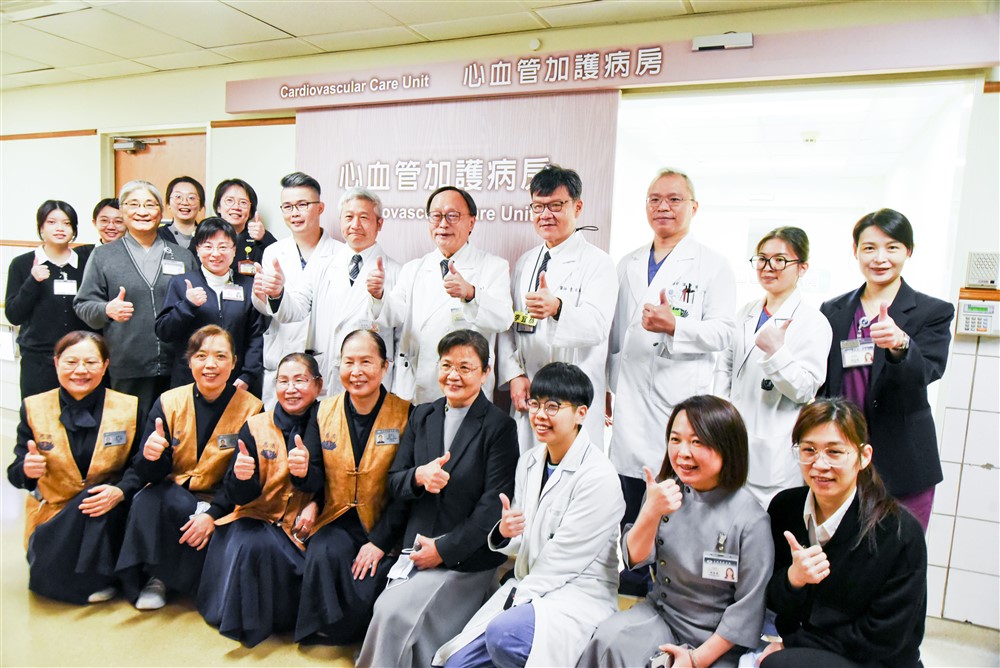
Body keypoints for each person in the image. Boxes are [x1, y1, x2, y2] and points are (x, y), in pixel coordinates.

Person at [435, 362, 625, 668]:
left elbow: (564, 560)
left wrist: (516, 599)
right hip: (530, 586)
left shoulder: (598, 477)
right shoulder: (530, 461)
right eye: (535, 404)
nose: (539, 415)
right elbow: (522, 541)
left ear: (581, 413)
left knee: (504, 635)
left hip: (576, 595)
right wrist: (504, 533)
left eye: (553, 407)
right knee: (455, 663)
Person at [606, 168, 736, 594]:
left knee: (675, 497)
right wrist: (608, 385)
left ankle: (673, 587)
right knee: (630, 493)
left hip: (677, 403)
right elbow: (617, 335)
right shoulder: (627, 263)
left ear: (693, 207)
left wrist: (676, 326)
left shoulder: (712, 265)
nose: (663, 207)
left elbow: (724, 332)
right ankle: (629, 582)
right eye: (655, 199)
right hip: (630, 400)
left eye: (674, 199)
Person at [357, 329, 519, 667]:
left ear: (486, 373)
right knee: (389, 610)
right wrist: (418, 476)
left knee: (393, 613)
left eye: (465, 367)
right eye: (446, 365)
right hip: (416, 551)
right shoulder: (423, 415)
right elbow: (395, 482)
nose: (453, 375)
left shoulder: (499, 427)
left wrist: (442, 550)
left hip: (464, 558)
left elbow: (492, 508)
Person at [578, 395, 773, 668]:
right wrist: (651, 512)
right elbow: (634, 559)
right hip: (662, 615)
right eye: (675, 439)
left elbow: (747, 610)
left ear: (727, 446)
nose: (683, 452)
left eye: (697, 442)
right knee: (608, 641)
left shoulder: (751, 520)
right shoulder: (664, 491)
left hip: (717, 639)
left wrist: (695, 660)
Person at [760, 399, 927, 668]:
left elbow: (884, 636)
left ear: (864, 456)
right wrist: (794, 579)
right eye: (809, 450)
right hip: (812, 647)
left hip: (875, 661)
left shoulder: (898, 532)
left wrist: (794, 644)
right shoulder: (785, 508)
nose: (819, 464)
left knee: (780, 664)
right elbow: (775, 601)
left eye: (834, 452)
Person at [818, 209, 954, 531]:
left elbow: (927, 373)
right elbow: (823, 383)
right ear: (855, 251)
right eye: (869, 248)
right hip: (842, 455)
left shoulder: (932, 311)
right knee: (841, 549)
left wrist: (901, 344)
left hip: (903, 461)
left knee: (900, 551)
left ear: (909, 251)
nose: (880, 258)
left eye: (892, 247)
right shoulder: (833, 310)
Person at [115, 325, 263, 610]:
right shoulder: (169, 402)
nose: (211, 364)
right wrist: (151, 457)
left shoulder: (253, 409)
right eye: (201, 356)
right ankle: (156, 577)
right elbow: (147, 473)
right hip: (172, 493)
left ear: (234, 362)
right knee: (148, 499)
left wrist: (213, 513)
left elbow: (242, 478)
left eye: (221, 356)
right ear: (189, 360)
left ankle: (177, 578)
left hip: (221, 500)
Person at [197, 352, 323, 647]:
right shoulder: (255, 425)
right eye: (283, 381)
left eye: (300, 380)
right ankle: (246, 623)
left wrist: (316, 501)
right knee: (250, 543)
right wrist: (242, 477)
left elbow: (336, 480)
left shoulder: (329, 423)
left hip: (301, 527)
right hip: (256, 515)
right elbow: (235, 493)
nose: (291, 389)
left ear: (318, 385)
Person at [293, 330, 411, 644]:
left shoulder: (407, 414)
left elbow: (406, 491)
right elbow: (315, 478)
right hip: (336, 519)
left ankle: (356, 633)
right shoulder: (322, 411)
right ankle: (326, 629)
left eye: (366, 362)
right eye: (349, 362)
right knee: (323, 552)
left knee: (366, 585)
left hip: (384, 523)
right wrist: (302, 473)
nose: (356, 371)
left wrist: (380, 542)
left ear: (384, 367)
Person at [7, 331, 141, 604]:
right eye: (71, 362)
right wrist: (26, 470)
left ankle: (97, 578)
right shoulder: (34, 407)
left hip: (108, 512)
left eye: (91, 363)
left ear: (105, 365)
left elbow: (138, 466)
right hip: (55, 516)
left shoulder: (129, 407)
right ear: (57, 363)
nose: (81, 370)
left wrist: (120, 491)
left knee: (98, 500)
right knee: (44, 580)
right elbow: (15, 473)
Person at [497, 165, 617, 451]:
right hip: (530, 393)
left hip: (572, 397)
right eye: (538, 206)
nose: (545, 214)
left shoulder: (598, 263)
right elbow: (508, 324)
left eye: (556, 205)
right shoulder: (526, 262)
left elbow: (597, 327)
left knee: (570, 471)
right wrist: (514, 375)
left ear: (577, 207)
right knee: (527, 468)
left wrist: (558, 309)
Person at [714, 227, 831, 507]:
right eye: (762, 259)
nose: (768, 267)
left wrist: (777, 353)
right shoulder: (746, 312)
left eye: (780, 260)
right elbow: (725, 367)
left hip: (775, 451)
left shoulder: (813, 322)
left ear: (802, 268)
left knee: (771, 523)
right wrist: (720, 416)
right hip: (734, 438)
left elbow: (805, 389)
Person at [367, 186, 513, 404]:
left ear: (471, 222)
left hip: (464, 388)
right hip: (416, 387)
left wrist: (471, 294)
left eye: (452, 215)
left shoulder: (493, 267)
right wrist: (378, 296)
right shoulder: (413, 268)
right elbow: (393, 315)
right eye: (436, 216)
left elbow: (503, 319)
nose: (443, 224)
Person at [256, 185, 401, 397]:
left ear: (379, 223)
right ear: (340, 221)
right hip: (328, 374)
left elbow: (400, 336)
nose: (355, 225)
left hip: (372, 381)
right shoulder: (322, 264)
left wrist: (379, 297)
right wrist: (278, 294)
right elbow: (295, 310)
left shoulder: (397, 272)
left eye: (364, 218)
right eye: (348, 217)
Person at [74, 180, 197, 419]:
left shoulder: (182, 256)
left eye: (150, 204)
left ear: (161, 212)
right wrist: (106, 309)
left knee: (174, 429)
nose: (142, 211)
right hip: (128, 364)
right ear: (122, 211)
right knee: (128, 431)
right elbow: (83, 304)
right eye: (134, 204)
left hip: (177, 365)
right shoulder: (103, 256)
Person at [250, 172, 340, 409]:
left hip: (325, 360)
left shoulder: (341, 254)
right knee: (279, 425)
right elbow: (266, 308)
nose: (294, 213)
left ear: (320, 208)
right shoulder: (273, 252)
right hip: (283, 353)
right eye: (288, 207)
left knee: (323, 424)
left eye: (302, 205)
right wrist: (262, 295)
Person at [155, 217, 268, 397]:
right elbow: (164, 332)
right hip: (190, 381)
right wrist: (187, 306)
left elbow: (256, 335)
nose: (215, 254)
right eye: (208, 246)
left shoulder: (248, 286)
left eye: (223, 247)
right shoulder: (181, 283)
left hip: (236, 381)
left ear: (234, 250)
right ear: (198, 249)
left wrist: (248, 375)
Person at [6, 200, 95, 398]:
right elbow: (13, 315)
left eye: (67, 223)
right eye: (52, 222)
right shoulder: (22, 264)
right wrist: (33, 281)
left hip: (81, 359)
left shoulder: (86, 263)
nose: (60, 228)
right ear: (41, 228)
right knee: (39, 413)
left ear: (74, 229)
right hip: (38, 360)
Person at [213, 178, 276, 275]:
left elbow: (282, 261)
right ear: (218, 207)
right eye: (229, 200)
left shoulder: (261, 237)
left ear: (250, 211)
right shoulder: (205, 234)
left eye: (243, 202)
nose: (236, 207)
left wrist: (264, 238)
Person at [158, 176, 205, 250]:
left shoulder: (207, 236)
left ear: (201, 206)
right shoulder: (156, 236)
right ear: (168, 204)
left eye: (191, 198)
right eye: (178, 197)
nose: (185, 202)